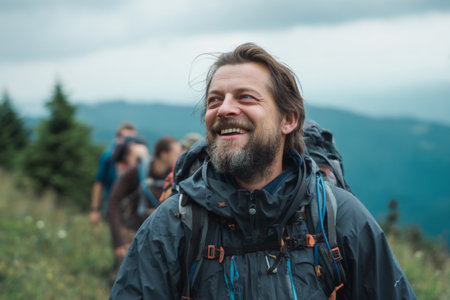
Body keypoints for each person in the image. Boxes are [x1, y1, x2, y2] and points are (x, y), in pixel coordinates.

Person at [110, 43, 416, 299]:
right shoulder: (174, 225)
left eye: (245, 97)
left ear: (288, 120)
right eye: (215, 99)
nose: (224, 108)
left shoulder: (340, 219)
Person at [107, 136, 181, 264]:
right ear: (164, 155)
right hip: (131, 234)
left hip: (158, 239)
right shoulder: (137, 171)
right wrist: (118, 240)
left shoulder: (175, 177)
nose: (179, 156)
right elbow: (113, 201)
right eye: (176, 153)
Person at [89, 122, 136, 225]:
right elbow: (99, 183)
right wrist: (95, 210)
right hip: (111, 203)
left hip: (132, 207)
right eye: (124, 138)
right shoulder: (108, 157)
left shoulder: (138, 160)